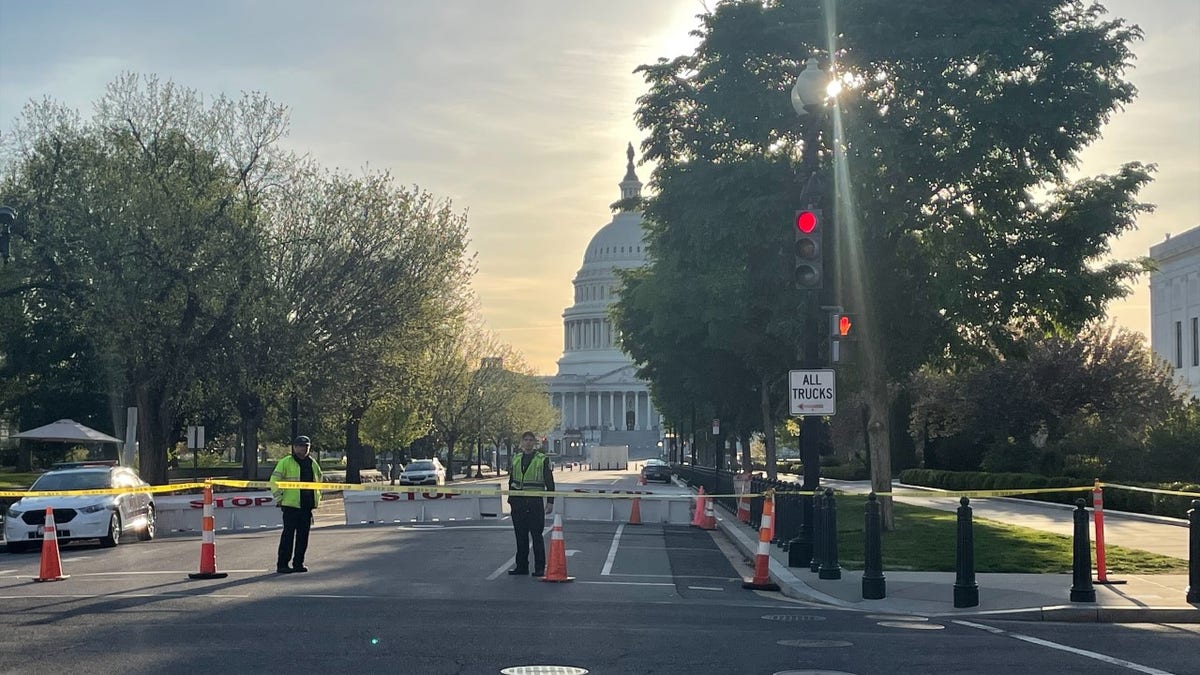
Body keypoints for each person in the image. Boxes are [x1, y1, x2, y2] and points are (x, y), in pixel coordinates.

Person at [271, 435, 323, 573]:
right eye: (300, 446)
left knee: (303, 536)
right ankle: (282, 564)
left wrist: (317, 499)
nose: (303, 448)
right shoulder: (286, 462)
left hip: (306, 506)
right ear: (294, 447)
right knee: (288, 535)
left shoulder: (312, 463)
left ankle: (298, 563)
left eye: (306, 446)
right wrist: (279, 498)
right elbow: (274, 480)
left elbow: (319, 481)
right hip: (290, 505)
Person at [507, 431, 555, 576]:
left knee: (536, 536)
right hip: (519, 503)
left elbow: (549, 481)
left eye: (530, 440)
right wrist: (511, 500)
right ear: (521, 442)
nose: (527, 442)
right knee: (520, 536)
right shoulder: (516, 458)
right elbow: (512, 481)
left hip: (535, 503)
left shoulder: (542, 459)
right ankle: (521, 566)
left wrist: (550, 502)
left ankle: (540, 568)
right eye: (525, 440)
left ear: (534, 442)